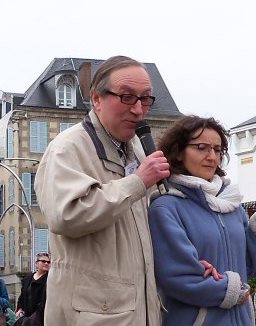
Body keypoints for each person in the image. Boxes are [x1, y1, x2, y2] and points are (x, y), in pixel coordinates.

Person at [34, 56, 170, 325]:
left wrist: (188, 261)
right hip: (93, 315)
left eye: (145, 99)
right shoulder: (67, 148)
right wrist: (137, 182)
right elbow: (66, 214)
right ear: (96, 99)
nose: (139, 110)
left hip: (137, 312)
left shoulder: (140, 150)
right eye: (127, 97)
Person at [148, 115, 256, 326]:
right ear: (179, 152)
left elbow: (248, 267)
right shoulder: (166, 207)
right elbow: (178, 277)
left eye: (217, 150)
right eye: (201, 147)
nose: (212, 157)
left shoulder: (231, 204)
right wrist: (231, 290)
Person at [14, 253, 49, 326]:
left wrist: (33, 318)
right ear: (36, 263)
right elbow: (21, 298)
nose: (46, 263)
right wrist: (19, 310)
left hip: (40, 319)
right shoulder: (28, 279)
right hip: (25, 317)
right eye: (43, 261)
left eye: (48, 262)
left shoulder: (49, 280)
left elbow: (45, 301)